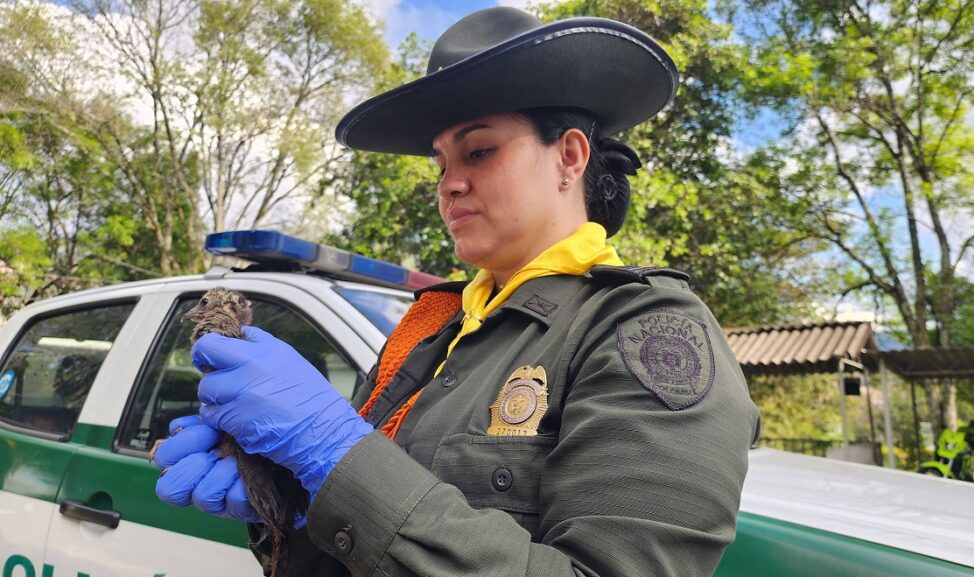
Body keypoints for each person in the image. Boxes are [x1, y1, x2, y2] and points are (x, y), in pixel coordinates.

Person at [154, 7, 761, 577]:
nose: (451, 185)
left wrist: (336, 456)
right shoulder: (435, 329)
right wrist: (296, 501)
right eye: (441, 164)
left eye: (480, 151)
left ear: (569, 157)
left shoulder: (643, 330)